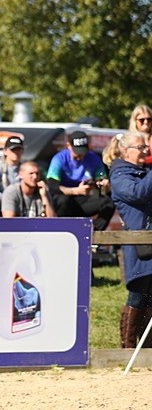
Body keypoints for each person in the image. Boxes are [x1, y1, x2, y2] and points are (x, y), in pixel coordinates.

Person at [105, 132, 152, 347]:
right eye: (141, 148)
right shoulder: (120, 176)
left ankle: (147, 346)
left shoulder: (144, 172)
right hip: (139, 245)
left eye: (146, 147)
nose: (146, 150)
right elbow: (138, 193)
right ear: (126, 151)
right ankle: (128, 347)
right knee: (138, 294)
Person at [47, 130, 115, 231]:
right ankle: (63, 229)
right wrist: (75, 190)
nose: (81, 156)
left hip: (84, 199)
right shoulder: (59, 159)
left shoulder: (94, 158)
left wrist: (103, 185)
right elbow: (52, 185)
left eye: (83, 152)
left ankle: (94, 233)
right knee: (63, 200)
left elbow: (100, 179)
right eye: (77, 152)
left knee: (110, 202)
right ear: (68, 146)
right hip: (64, 201)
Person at [0, 135, 25, 216]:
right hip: (4, 202)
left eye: (19, 149)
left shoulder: (25, 168)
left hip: (23, 202)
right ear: (5, 151)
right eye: (13, 149)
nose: (16, 152)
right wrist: (12, 199)